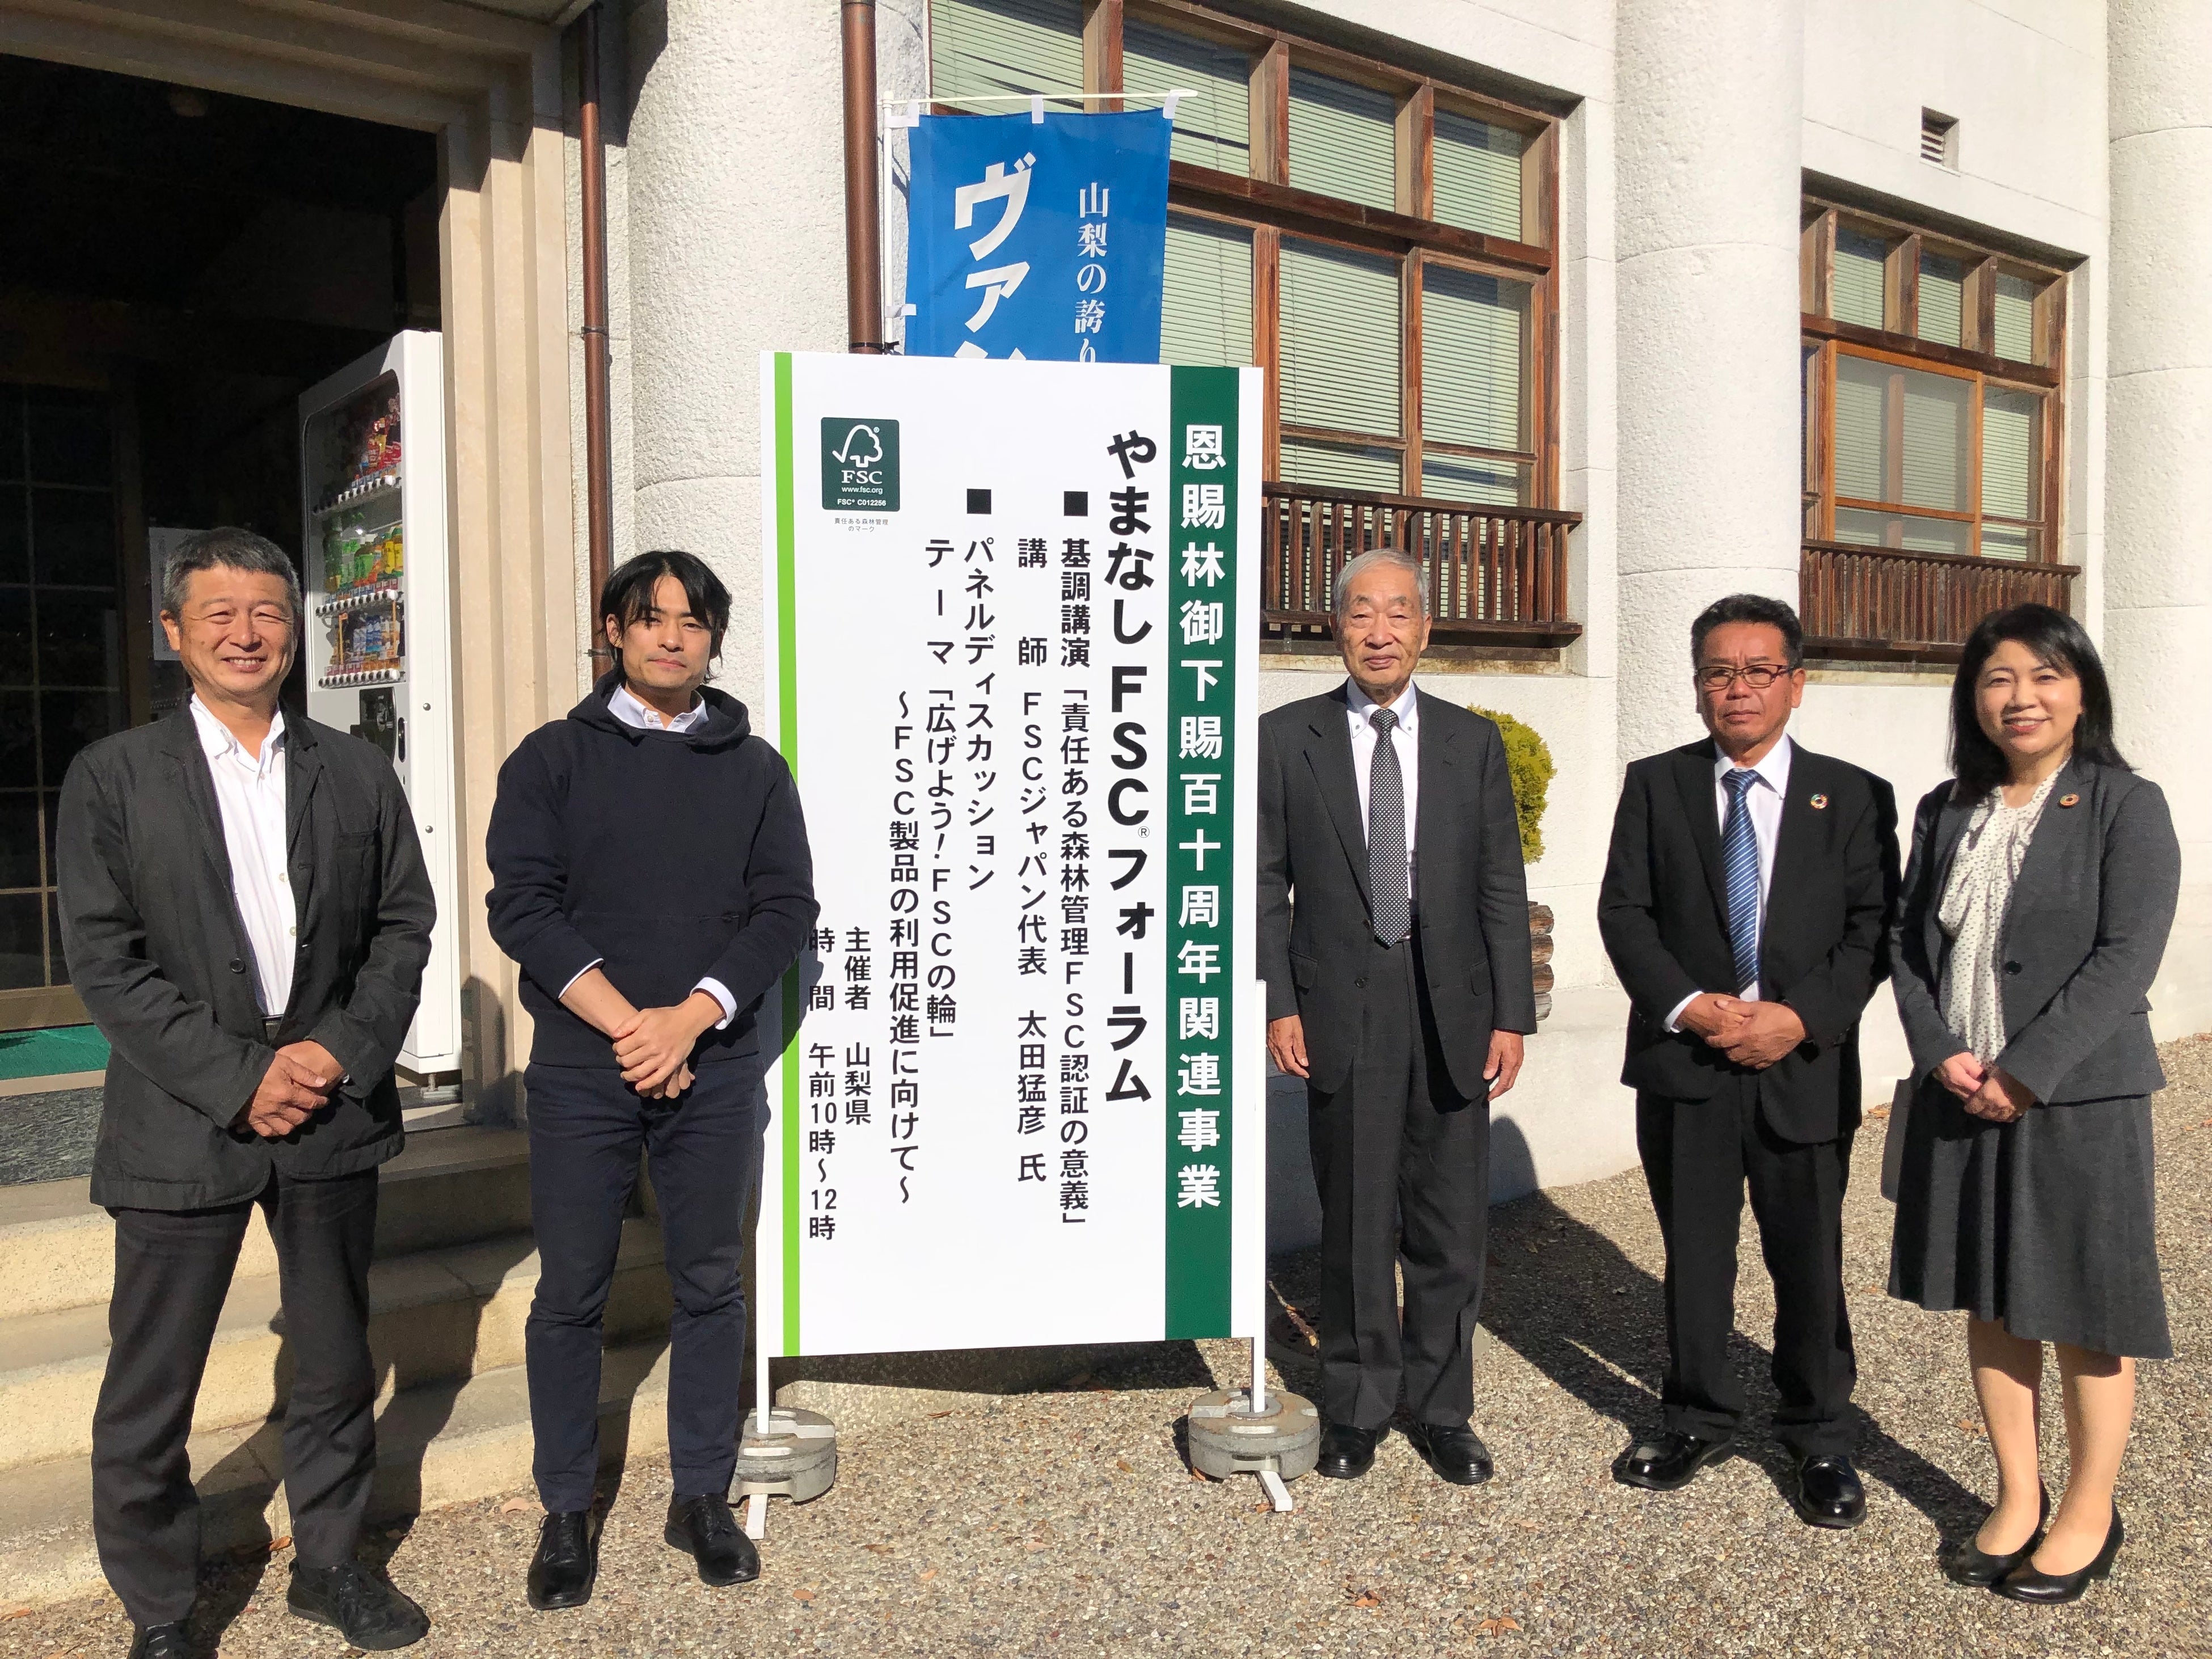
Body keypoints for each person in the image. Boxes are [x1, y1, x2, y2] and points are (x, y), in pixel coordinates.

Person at [57, 528, 436, 1658]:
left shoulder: (355, 769)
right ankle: (162, 1610)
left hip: (329, 1106)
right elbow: (106, 960)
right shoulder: (114, 775)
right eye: (218, 613)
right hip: (181, 1115)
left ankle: (330, 1563)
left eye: (267, 611)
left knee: (333, 1358)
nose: (245, 632)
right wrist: (239, 1077)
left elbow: (403, 927)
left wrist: (336, 1051)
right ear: (174, 632)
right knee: (152, 1381)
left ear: (296, 630)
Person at [485, 549, 816, 1610]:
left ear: (715, 638)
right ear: (613, 632)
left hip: (712, 1062)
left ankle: (700, 1492)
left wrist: (689, 1017)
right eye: (650, 618)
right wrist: (633, 1025)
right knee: (571, 1290)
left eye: (693, 620)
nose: (672, 637)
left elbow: (786, 908)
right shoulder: (552, 759)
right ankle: (565, 1507)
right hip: (585, 1067)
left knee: (711, 1281)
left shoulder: (754, 768)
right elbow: (522, 904)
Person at [1887, 603, 2177, 1603]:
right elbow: (1907, 942)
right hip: (1963, 1092)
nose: (2021, 697)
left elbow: (2126, 956)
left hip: (2078, 1098)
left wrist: (2026, 1069)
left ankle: (2090, 1508)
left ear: (2082, 690)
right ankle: (2018, 1493)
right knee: (1992, 1298)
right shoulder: (1947, 807)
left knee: (2085, 1307)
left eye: (2045, 675)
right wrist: (1940, 1051)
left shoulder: (2124, 804)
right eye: (1998, 678)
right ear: (1974, 697)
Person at [1596, 593, 1896, 1527]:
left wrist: (1798, 1019)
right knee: (1695, 1255)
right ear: (1697, 688)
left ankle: (1821, 1430)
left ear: (1795, 683)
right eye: (1719, 672)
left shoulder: (1853, 794)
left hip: (1802, 1068)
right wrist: (1689, 1006)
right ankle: (1695, 1414)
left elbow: (1873, 929)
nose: (1739, 689)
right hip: (1686, 1066)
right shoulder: (1658, 784)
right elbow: (1625, 912)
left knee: (1808, 1256)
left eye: (1760, 670)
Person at [1256, 546, 1535, 1487]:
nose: (1380, 631)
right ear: (1335, 628)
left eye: (1399, 612)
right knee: (1355, 1219)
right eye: (1361, 613)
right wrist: (1280, 1003)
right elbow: (1263, 885)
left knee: (1449, 1224)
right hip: (1342, 1001)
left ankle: (1444, 1408)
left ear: (1425, 627)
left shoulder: (1472, 740)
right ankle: (1358, 1403)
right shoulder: (1286, 737)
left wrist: (1511, 1014)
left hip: (1451, 1000)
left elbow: (1502, 884)